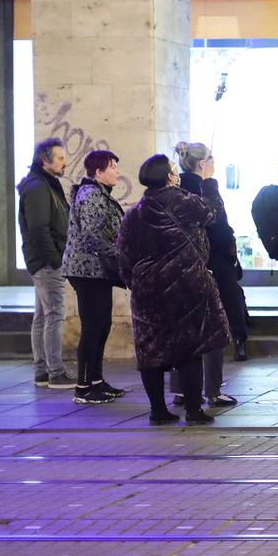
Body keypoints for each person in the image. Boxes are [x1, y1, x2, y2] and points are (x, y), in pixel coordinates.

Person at [115, 154, 228, 426]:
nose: (177, 173)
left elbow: (123, 255)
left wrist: (136, 282)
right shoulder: (183, 201)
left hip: (148, 291)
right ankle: (193, 410)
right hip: (186, 286)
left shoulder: (134, 213)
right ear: (169, 176)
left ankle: (158, 411)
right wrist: (208, 180)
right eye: (174, 170)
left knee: (151, 351)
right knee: (189, 347)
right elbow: (212, 212)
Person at [58, 150, 127, 405]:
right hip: (87, 271)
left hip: (96, 271)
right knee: (92, 327)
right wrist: (120, 254)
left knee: (102, 325)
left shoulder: (99, 193)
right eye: (112, 167)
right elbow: (92, 235)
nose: (117, 172)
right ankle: (83, 386)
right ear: (98, 172)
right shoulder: (91, 195)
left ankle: (97, 381)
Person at [174, 142, 239, 408]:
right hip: (210, 264)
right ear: (203, 164)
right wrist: (231, 253)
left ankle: (180, 389)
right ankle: (212, 389)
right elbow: (218, 224)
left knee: (183, 327)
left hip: (181, 266)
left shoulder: (175, 190)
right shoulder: (203, 189)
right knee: (213, 327)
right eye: (211, 159)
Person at [18, 137, 73, 388]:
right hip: (47, 262)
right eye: (60, 158)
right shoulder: (38, 187)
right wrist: (54, 260)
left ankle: (41, 370)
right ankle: (55, 372)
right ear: (45, 161)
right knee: (54, 315)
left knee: (42, 316)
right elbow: (39, 228)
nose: (64, 162)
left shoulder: (43, 184)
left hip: (43, 260)